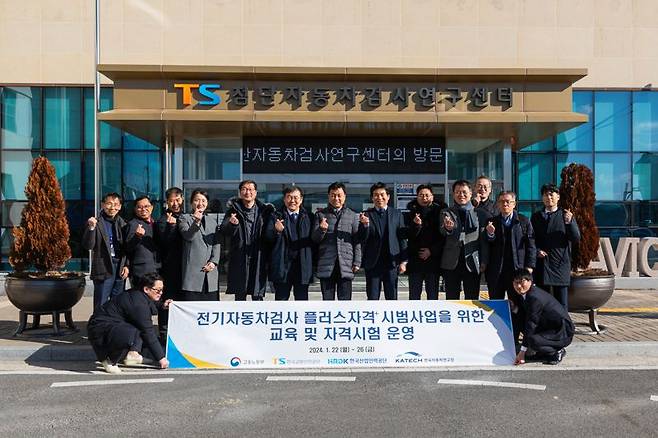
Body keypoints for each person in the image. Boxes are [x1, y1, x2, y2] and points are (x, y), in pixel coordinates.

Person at [87, 272, 170, 374]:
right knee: (132, 333)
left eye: (162, 289)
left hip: (107, 324)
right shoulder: (138, 305)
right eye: (158, 290)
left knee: (136, 329)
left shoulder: (138, 294)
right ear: (146, 289)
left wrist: (162, 305)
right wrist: (161, 358)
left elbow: (150, 303)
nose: (161, 293)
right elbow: (148, 332)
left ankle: (132, 356)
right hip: (99, 329)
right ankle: (109, 360)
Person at [485, 191, 536, 341]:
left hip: (517, 271)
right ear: (498, 204)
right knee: (496, 305)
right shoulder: (491, 222)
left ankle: (514, 338)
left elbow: (531, 245)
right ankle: (496, 337)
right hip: (497, 272)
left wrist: (529, 267)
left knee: (518, 306)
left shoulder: (523, 221)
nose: (505, 204)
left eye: (508, 202)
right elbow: (487, 245)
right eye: (502, 202)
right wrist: (490, 235)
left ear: (514, 204)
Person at [219, 180, 274, 301]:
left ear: (256, 192)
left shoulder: (264, 211)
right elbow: (224, 230)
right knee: (240, 293)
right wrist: (232, 225)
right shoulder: (233, 210)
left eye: (250, 189)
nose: (247, 192)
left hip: (258, 255)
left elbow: (270, 234)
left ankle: (258, 319)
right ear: (240, 192)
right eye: (244, 189)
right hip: (240, 255)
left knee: (257, 293)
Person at [530, 183, 581, 310]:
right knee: (543, 302)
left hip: (559, 265)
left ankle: (563, 328)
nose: (548, 197)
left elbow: (575, 238)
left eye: (551, 194)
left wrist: (570, 223)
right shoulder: (536, 216)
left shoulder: (565, 215)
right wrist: (536, 251)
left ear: (558, 197)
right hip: (541, 265)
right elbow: (531, 238)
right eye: (545, 195)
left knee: (561, 303)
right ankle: (545, 327)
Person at [512, 269, 575, 366]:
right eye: (516, 283)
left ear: (530, 281)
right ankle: (543, 353)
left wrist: (522, 352)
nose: (519, 286)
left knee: (532, 340)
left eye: (521, 282)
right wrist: (515, 308)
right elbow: (527, 316)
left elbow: (531, 323)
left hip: (562, 332)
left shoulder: (534, 297)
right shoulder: (527, 294)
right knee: (522, 325)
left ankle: (557, 351)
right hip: (550, 327)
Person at [439, 180, 489, 300]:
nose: (461, 195)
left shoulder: (480, 213)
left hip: (472, 260)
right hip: (452, 261)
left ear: (471, 193)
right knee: (451, 297)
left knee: (472, 298)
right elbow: (442, 232)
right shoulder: (446, 212)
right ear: (453, 194)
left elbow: (483, 240)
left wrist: (484, 261)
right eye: (457, 192)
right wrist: (448, 229)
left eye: (464, 192)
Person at [358, 182, 408, 301]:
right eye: (376, 195)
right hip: (373, 263)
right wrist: (365, 226)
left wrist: (404, 261)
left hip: (391, 263)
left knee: (392, 297)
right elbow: (361, 239)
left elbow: (402, 238)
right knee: (372, 298)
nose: (379, 198)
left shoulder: (397, 214)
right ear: (372, 198)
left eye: (382, 194)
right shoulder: (366, 214)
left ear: (388, 197)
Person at [312, 182, 362, 301]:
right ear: (328, 196)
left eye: (339, 195)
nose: (336, 198)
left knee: (345, 301)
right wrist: (321, 230)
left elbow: (357, 240)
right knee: (327, 301)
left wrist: (357, 261)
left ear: (345, 196)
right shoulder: (320, 214)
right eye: (333, 195)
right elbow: (314, 239)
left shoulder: (353, 215)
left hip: (346, 264)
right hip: (327, 263)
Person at [265, 186, 313, 301]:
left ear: (301, 199)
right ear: (284, 199)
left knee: (302, 301)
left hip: (302, 266)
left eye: (295, 198)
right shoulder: (275, 216)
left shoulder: (309, 217)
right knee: (281, 301)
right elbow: (267, 239)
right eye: (289, 197)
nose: (292, 201)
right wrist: (276, 231)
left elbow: (314, 242)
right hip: (282, 266)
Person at [82, 192, 129, 309]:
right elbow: (88, 245)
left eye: (116, 204)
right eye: (109, 204)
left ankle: (115, 325)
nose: (112, 207)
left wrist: (127, 265)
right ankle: (98, 325)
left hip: (119, 267)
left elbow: (127, 248)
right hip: (103, 265)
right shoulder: (95, 222)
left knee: (118, 302)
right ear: (103, 205)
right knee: (101, 302)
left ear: (120, 207)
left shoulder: (123, 224)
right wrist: (91, 228)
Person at [405, 184, 447, 300]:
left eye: (427, 195)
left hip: (433, 260)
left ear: (432, 197)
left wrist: (431, 251)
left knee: (433, 295)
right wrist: (415, 225)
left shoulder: (441, 212)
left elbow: (444, 236)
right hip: (415, 259)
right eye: (421, 195)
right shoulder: (410, 212)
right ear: (417, 197)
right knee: (414, 295)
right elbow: (407, 235)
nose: (424, 198)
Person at [179, 189, 221, 301]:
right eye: (196, 200)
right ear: (191, 202)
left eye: (203, 200)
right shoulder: (185, 218)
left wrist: (214, 262)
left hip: (210, 273)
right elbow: (188, 236)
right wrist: (196, 222)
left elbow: (217, 243)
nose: (200, 203)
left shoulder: (212, 221)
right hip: (193, 273)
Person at [155, 187, 184, 338]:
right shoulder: (162, 219)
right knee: (168, 301)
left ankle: (180, 332)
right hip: (168, 268)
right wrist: (171, 226)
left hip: (184, 268)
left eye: (177, 199)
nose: (175, 203)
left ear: (182, 199)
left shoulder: (186, 216)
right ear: (166, 202)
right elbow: (163, 242)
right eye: (171, 200)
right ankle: (164, 333)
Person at [125, 196, 159, 288]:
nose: (143, 209)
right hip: (141, 271)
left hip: (155, 268)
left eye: (146, 206)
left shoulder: (155, 224)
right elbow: (127, 247)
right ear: (135, 209)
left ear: (151, 207)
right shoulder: (133, 224)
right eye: (139, 207)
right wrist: (137, 236)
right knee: (141, 298)